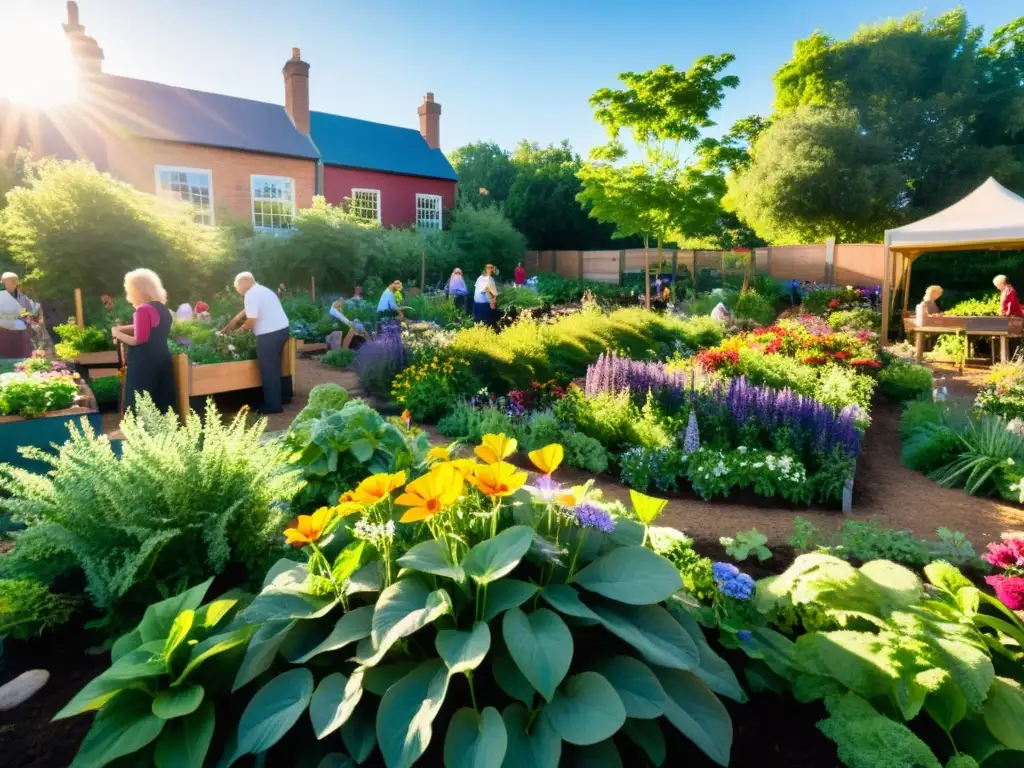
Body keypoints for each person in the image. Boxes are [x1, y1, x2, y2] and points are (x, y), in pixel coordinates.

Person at [221, 272, 291, 414]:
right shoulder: (262, 290)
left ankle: (273, 406)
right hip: (282, 331)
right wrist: (227, 328)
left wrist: (235, 335)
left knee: (268, 370)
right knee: (275, 367)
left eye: (236, 287)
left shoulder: (251, 294)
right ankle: (279, 399)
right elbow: (243, 314)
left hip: (269, 335)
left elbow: (251, 320)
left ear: (241, 285)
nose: (237, 290)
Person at [112, 269, 174, 415]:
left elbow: (139, 340)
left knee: (139, 402)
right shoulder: (162, 309)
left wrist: (117, 333)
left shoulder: (142, 309)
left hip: (144, 363)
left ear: (137, 290)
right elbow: (148, 327)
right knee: (160, 401)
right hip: (162, 359)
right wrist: (121, 328)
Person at [0, 272, 40, 359]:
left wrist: (26, 316)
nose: (15, 284)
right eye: (11, 281)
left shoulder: (21, 297)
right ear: (3, 282)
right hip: (2, 332)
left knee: (20, 356)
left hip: (19, 331)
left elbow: (26, 311)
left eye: (15, 281)